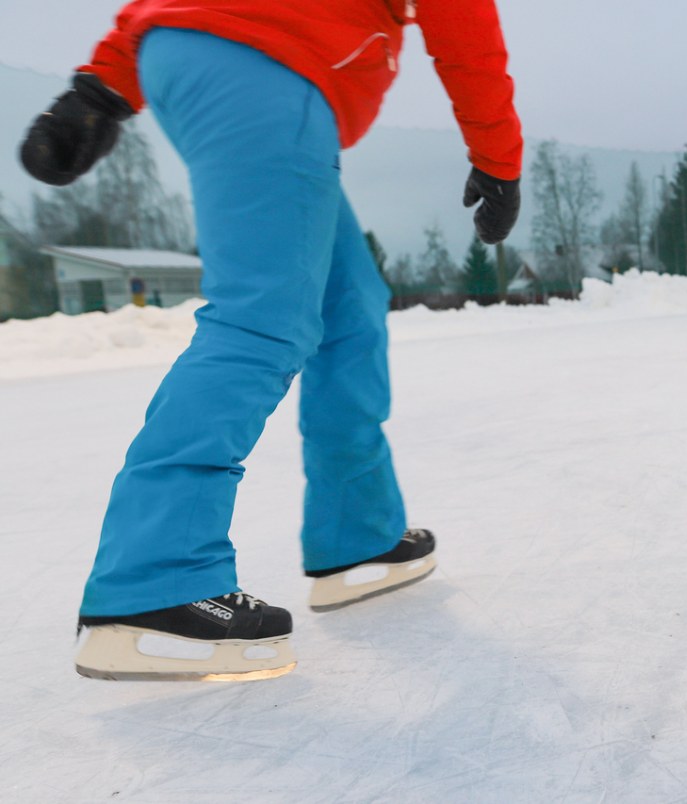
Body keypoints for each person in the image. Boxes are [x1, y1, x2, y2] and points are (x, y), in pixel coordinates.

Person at [19, 0, 522, 682]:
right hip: (267, 57)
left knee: (349, 308)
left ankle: (358, 537)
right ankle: (155, 582)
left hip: (205, 49)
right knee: (265, 313)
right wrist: (498, 156)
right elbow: (463, 25)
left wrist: (100, 89)